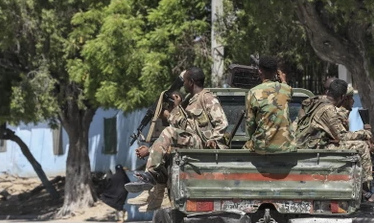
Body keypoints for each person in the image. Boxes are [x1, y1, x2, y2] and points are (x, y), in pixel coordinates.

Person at [125, 66, 229, 196]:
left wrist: (213, 139)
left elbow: (222, 122)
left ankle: (151, 175)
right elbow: (184, 127)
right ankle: (153, 181)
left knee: (169, 132)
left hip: (204, 143)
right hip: (194, 140)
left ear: (191, 82)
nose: (183, 84)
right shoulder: (190, 100)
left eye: (184, 81)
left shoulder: (207, 98)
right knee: (168, 146)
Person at [295, 79, 374, 204]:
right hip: (315, 148)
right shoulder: (328, 109)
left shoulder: (315, 101)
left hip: (304, 145)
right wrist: (364, 133)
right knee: (361, 146)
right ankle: (364, 190)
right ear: (342, 97)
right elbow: (343, 136)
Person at [244, 56, 295, 154]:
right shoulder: (286, 89)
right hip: (286, 147)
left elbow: (250, 124)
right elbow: (288, 89)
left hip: (262, 147)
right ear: (276, 72)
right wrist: (283, 80)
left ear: (260, 71)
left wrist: (250, 139)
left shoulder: (253, 92)